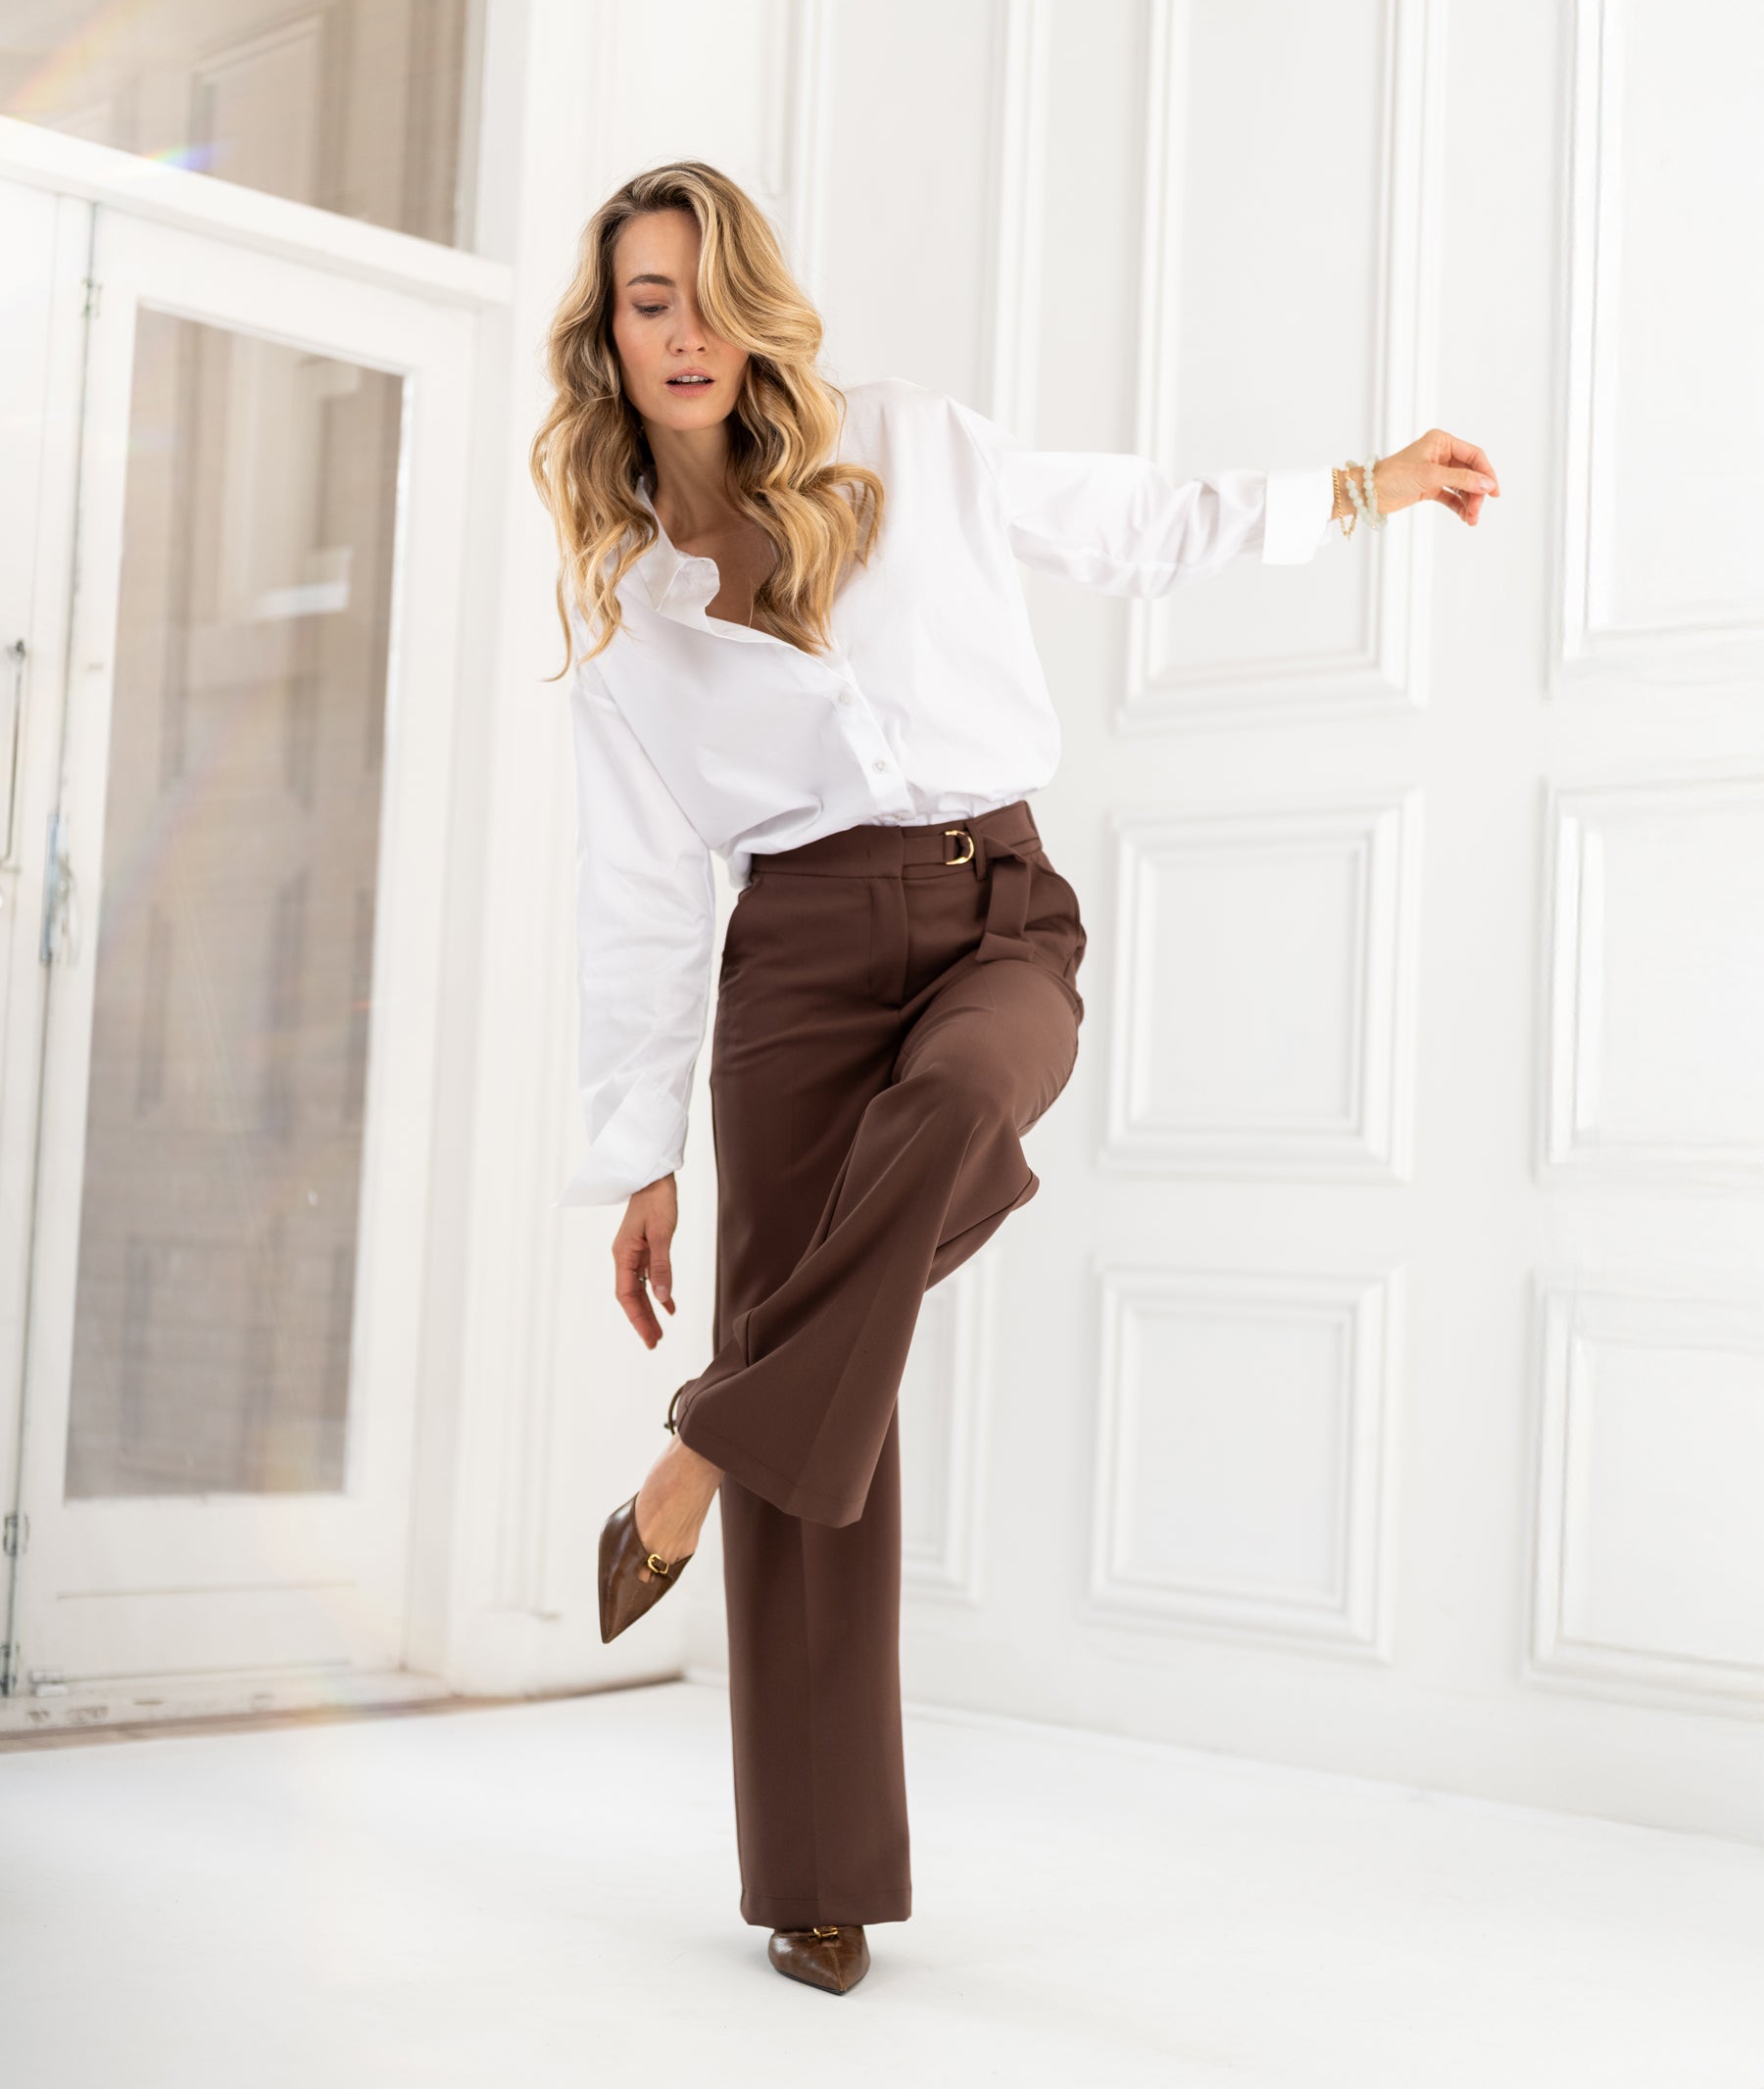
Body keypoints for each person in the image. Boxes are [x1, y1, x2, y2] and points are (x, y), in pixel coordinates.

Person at [529, 159, 1498, 1997]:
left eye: (712, 290)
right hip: (789, 970)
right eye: (649, 300)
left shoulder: (915, 447)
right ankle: (817, 1882)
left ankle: (698, 1454)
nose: (687, 330)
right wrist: (635, 1149)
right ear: (610, 334)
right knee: (845, 1401)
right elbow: (642, 894)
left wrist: (1363, 491)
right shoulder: (629, 612)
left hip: (996, 918)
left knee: (970, 1108)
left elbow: (1141, 523)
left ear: (755, 307)